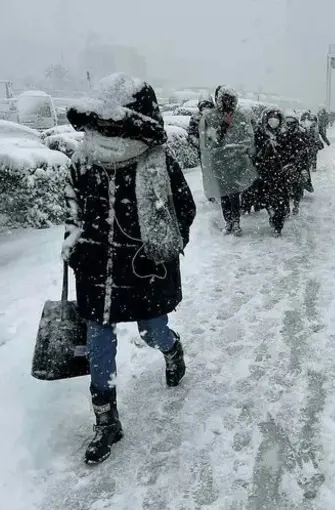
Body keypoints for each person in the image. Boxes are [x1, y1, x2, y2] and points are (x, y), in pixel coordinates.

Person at [63, 73, 197, 465]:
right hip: (95, 269)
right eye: (101, 122)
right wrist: (73, 247)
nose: (105, 129)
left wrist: (162, 249)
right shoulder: (83, 159)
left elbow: (183, 210)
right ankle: (106, 421)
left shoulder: (156, 161)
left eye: (114, 122)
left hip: (143, 269)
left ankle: (172, 349)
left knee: (151, 330)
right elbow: (72, 210)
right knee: (99, 341)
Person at [199, 86, 257, 235]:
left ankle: (235, 222)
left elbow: (247, 138)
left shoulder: (240, 117)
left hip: (236, 161)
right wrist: (224, 126)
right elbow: (211, 141)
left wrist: (241, 149)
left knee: (234, 193)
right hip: (219, 161)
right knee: (224, 193)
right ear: (219, 101)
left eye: (230, 100)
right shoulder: (211, 117)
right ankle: (228, 221)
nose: (227, 104)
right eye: (224, 100)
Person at [253, 107, 289, 236]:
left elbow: (288, 153)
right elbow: (255, 152)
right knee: (266, 199)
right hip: (264, 172)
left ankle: (278, 225)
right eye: (270, 118)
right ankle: (272, 213)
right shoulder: (260, 133)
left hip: (280, 173)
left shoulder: (285, 134)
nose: (273, 120)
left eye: (276, 118)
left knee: (280, 200)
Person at [280, 110, 308, 216]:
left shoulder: (301, 134)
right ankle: (286, 208)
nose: (290, 125)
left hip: (298, 164)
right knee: (283, 188)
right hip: (285, 165)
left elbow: (304, 151)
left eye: (292, 123)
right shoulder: (282, 134)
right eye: (288, 123)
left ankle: (296, 204)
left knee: (298, 186)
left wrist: (302, 166)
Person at [301, 111, 323, 176]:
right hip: (310, 143)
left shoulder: (316, 127)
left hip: (314, 143)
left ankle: (313, 167)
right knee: (310, 155)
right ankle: (311, 166)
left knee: (313, 155)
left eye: (314, 120)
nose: (313, 121)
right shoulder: (307, 127)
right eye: (312, 120)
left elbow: (321, 134)